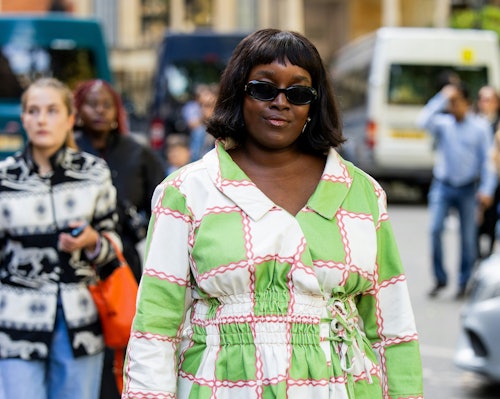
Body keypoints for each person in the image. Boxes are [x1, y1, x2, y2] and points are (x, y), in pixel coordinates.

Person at [122, 29, 424, 399]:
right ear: (238, 93)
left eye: (298, 93)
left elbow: (391, 327)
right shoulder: (187, 191)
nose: (280, 102)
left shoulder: (361, 192)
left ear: (314, 104)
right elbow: (156, 327)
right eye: (263, 88)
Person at [0, 77, 121, 399]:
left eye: (52, 110)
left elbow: (115, 243)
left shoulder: (94, 172)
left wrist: (94, 241)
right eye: (33, 111)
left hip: (81, 323)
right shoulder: (4, 177)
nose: (41, 119)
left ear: (70, 118)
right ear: (23, 118)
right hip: (14, 323)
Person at [72, 79, 165, 399]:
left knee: (124, 340)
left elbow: (164, 206)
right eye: (91, 103)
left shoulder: (137, 153)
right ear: (78, 111)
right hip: (76, 267)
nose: (99, 110)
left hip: (123, 267)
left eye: (106, 104)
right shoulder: (67, 150)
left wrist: (140, 228)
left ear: (116, 111)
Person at [417, 82, 497, 299]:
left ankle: (463, 282)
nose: (452, 106)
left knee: (468, 239)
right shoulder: (443, 123)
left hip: (467, 189)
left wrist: (488, 189)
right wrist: (441, 97)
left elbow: (488, 162)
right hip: (443, 186)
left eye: (456, 102)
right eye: (450, 103)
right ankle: (440, 279)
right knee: (434, 230)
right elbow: (421, 121)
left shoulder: (479, 128)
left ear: (467, 103)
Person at [475, 85, 500, 258]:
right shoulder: (475, 122)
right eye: (481, 99)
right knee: (475, 223)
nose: (484, 103)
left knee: (492, 221)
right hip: (478, 179)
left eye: (488, 99)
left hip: (496, 179)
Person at [182, 83, 218, 161]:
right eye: (200, 105)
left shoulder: (227, 134)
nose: (203, 111)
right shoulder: (199, 132)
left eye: (208, 105)